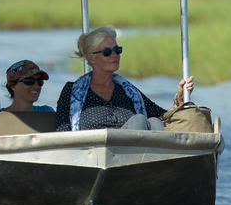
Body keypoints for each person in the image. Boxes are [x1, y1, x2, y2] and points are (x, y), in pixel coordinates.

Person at [55, 26, 195, 132]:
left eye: (117, 50)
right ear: (91, 57)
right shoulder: (71, 91)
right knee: (139, 120)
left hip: (132, 154)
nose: (115, 55)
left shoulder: (128, 91)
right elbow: (62, 131)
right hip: (92, 153)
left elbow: (162, 115)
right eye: (107, 52)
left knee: (155, 122)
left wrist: (178, 101)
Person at [0, 59, 55, 123]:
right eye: (29, 81)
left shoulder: (47, 112)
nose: (36, 86)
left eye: (40, 82)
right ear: (12, 86)